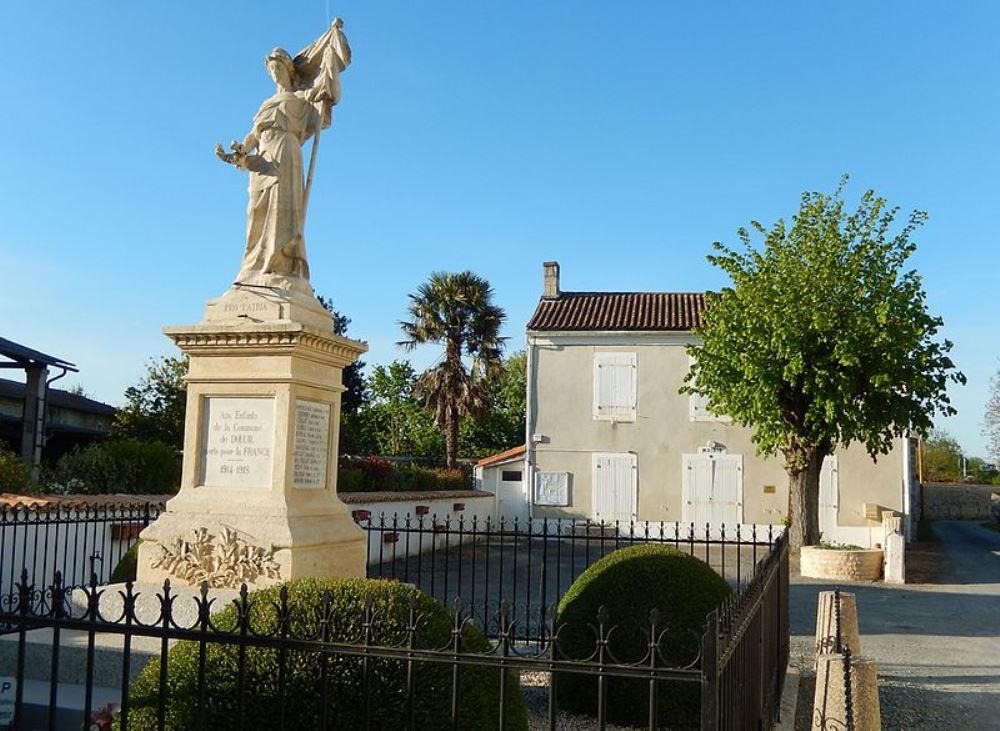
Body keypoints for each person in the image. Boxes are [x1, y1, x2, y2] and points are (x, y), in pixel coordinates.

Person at [217, 25, 347, 291]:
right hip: (261, 160)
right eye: (272, 69)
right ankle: (253, 266)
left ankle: (281, 266)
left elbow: (324, 98)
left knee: (282, 213)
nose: (276, 72)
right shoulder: (267, 103)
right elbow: (254, 133)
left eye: (279, 67)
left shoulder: (301, 98)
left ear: (289, 70)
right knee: (256, 212)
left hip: (287, 154)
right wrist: (240, 150)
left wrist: (326, 79)